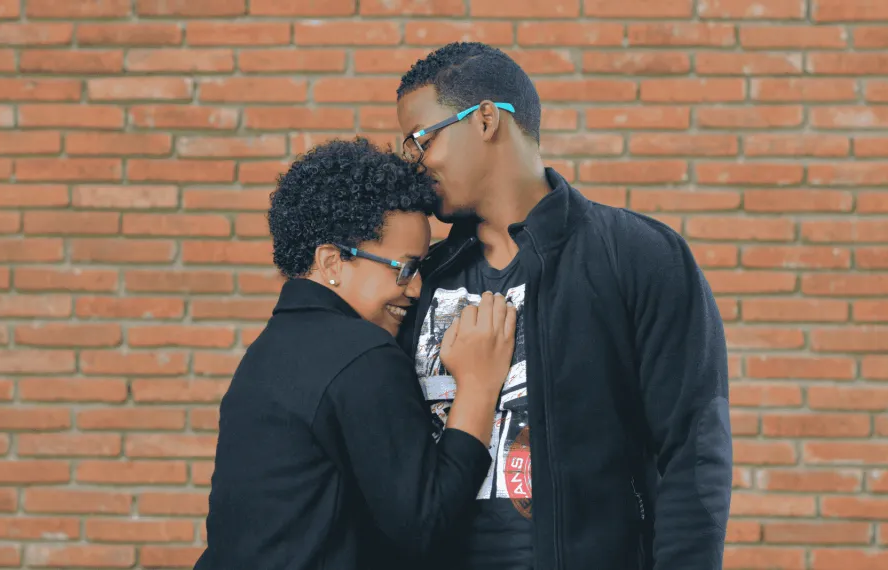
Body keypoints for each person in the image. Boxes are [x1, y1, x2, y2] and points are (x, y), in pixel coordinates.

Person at [394, 43, 733, 569]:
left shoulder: (637, 256)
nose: (413, 164)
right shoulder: (419, 279)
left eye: (422, 140)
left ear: (485, 119)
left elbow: (693, 450)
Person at [195, 137, 518, 570]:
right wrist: (478, 386)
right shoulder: (362, 355)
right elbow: (427, 524)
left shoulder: (267, 353)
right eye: (405, 267)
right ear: (331, 263)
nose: (419, 287)